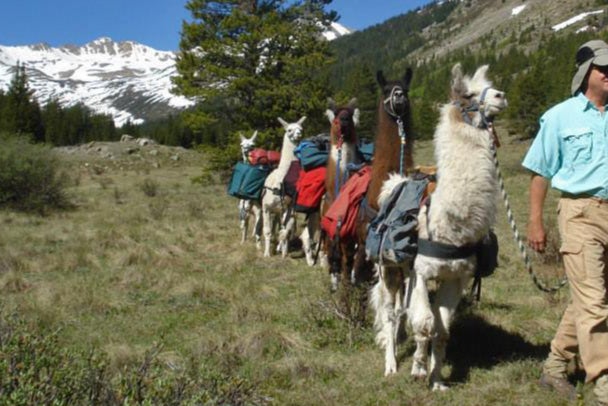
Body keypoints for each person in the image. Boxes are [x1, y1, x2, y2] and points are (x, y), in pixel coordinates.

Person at [522, 39, 608, 404]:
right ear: (586, 73)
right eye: (603, 67)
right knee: (594, 301)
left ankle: (556, 365)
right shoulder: (560, 117)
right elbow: (540, 172)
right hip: (579, 213)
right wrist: (535, 221)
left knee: (591, 297)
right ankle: (604, 382)